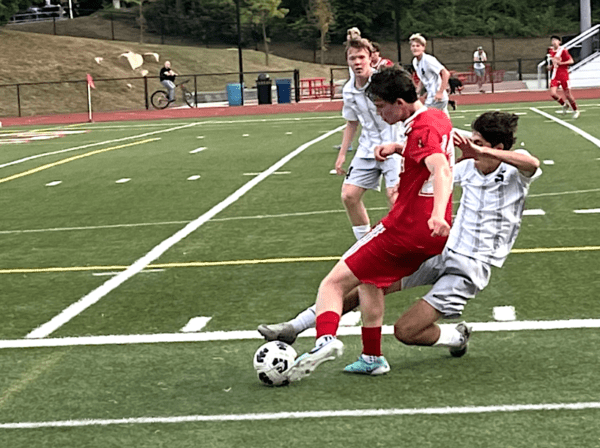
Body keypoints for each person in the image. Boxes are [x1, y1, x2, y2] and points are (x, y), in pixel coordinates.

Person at [259, 111, 542, 377]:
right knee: (367, 281)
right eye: (472, 140)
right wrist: (397, 151)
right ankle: (294, 327)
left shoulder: (515, 169)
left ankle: (457, 337)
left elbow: (532, 164)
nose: (471, 147)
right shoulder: (467, 167)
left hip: (471, 267)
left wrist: (483, 151)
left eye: (479, 143)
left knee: (406, 331)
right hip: (442, 250)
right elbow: (433, 167)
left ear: (498, 146)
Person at [284, 65, 454, 382]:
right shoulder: (436, 118)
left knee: (332, 284)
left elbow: (440, 169)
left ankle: (324, 341)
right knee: (370, 279)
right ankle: (372, 357)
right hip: (430, 234)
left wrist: (435, 212)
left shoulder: (422, 129)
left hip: (407, 228)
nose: (378, 114)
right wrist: (397, 148)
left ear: (400, 103)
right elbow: (435, 151)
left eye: (381, 107)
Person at [331, 38, 401, 242]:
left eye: (361, 57)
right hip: (368, 147)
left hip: (394, 145)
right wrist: (342, 153)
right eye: (352, 58)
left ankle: (399, 244)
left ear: (371, 58)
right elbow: (351, 122)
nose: (357, 62)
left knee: (394, 196)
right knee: (349, 195)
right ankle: (364, 243)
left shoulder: (383, 82)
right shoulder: (348, 90)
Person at [410, 33, 451, 115]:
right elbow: (423, 78)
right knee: (443, 120)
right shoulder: (415, 62)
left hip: (436, 97)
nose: (415, 48)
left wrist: (440, 92)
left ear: (423, 48)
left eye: (418, 46)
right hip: (431, 95)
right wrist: (417, 91)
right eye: (413, 46)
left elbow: (445, 73)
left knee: (425, 116)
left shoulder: (428, 60)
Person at [547, 35, 580, 119]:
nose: (554, 42)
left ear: (559, 42)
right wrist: (551, 67)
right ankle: (564, 105)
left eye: (555, 40)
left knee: (568, 95)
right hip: (555, 75)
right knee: (553, 93)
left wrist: (561, 63)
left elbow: (571, 61)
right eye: (552, 40)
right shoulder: (550, 50)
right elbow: (554, 62)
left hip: (564, 75)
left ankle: (575, 110)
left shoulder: (563, 50)